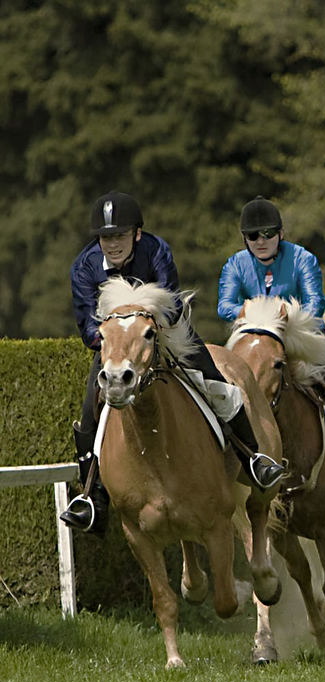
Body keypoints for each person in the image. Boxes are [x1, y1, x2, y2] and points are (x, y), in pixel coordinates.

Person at [60, 192, 285, 534]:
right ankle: (91, 497)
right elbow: (88, 328)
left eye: (120, 236)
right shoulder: (83, 267)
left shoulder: (157, 250)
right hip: (118, 345)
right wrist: (117, 334)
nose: (113, 245)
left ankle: (254, 459)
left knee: (218, 385)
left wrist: (144, 326)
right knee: (90, 410)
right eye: (106, 237)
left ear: (136, 233)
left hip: (167, 333)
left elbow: (171, 305)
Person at [218, 196, 325, 479]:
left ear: (281, 234)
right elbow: (224, 305)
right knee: (219, 382)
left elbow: (315, 305)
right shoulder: (235, 264)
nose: (261, 240)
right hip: (254, 339)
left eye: (268, 234)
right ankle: (220, 450)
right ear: (244, 238)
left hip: (300, 337)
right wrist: (250, 311)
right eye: (253, 235)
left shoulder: (302, 258)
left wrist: (285, 322)